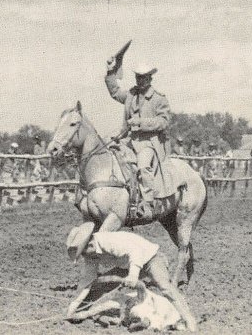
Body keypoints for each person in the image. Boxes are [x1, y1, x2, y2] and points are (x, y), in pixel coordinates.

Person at [65, 222, 197, 332]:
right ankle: (82, 312)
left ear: (91, 245)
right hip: (127, 265)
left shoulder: (108, 241)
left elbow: (135, 252)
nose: (84, 257)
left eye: (83, 254)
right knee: (98, 285)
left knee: (165, 288)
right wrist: (73, 307)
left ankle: (188, 319)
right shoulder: (91, 255)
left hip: (151, 258)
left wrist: (133, 275)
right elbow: (86, 281)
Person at [105, 55, 170, 218]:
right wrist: (110, 72)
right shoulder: (131, 95)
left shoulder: (159, 99)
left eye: (142, 77)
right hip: (128, 141)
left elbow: (163, 122)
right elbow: (114, 92)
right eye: (137, 77)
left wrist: (140, 122)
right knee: (109, 157)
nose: (139, 80)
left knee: (143, 167)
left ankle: (148, 203)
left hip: (149, 143)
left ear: (150, 78)